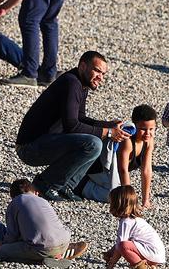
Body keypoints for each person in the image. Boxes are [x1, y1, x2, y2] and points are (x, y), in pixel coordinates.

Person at [15, 51, 125, 200]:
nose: (101, 77)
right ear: (83, 66)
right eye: (97, 71)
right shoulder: (71, 83)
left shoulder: (80, 84)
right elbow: (72, 126)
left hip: (42, 142)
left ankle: (66, 185)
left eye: (103, 74)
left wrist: (109, 125)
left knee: (96, 139)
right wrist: (109, 132)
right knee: (93, 144)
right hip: (29, 148)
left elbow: (80, 118)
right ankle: (47, 184)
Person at [0, 179, 88, 265]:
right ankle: (61, 252)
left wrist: (1, 245)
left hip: (42, 249)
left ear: (13, 196)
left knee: (3, 251)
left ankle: (42, 260)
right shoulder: (43, 201)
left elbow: (12, 235)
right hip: (64, 241)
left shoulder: (14, 203)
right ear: (35, 192)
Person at [105, 185, 165, 269]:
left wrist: (111, 265)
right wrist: (111, 252)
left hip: (151, 252)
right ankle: (152, 268)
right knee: (125, 245)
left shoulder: (126, 222)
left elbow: (120, 246)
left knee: (123, 246)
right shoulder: (136, 220)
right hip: (157, 254)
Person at [117, 104, 157, 208]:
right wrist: (129, 201)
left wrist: (145, 199)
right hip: (104, 173)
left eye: (151, 129)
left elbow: (146, 170)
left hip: (117, 175)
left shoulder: (148, 141)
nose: (147, 133)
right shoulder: (127, 141)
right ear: (134, 126)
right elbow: (123, 170)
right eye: (143, 129)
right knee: (113, 197)